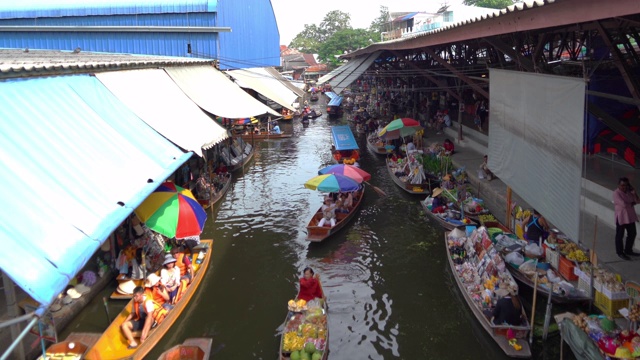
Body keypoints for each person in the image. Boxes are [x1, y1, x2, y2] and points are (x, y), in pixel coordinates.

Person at [613, 177, 640, 260]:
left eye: (626, 185)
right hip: (621, 217)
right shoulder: (616, 193)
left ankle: (628, 250)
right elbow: (623, 204)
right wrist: (632, 203)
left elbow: (638, 201)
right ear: (619, 185)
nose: (624, 187)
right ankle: (620, 252)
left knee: (632, 233)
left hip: (630, 216)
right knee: (619, 235)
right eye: (622, 185)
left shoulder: (629, 192)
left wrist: (634, 193)